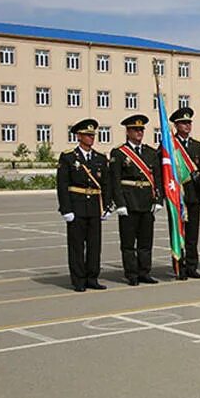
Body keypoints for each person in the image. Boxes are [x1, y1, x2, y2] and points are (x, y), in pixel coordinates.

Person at [57, 118, 111, 292]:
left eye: (92, 135)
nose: (91, 138)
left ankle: (92, 277)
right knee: (77, 245)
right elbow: (62, 185)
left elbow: (106, 184)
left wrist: (107, 206)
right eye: (87, 135)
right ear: (78, 136)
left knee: (95, 245)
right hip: (77, 207)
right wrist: (66, 209)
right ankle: (78, 279)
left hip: (95, 207)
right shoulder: (68, 157)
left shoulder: (100, 158)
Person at [110, 113, 162, 285]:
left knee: (146, 241)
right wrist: (120, 203)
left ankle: (144, 272)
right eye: (135, 129)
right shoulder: (119, 153)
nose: (139, 132)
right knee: (128, 242)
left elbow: (158, 177)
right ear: (128, 131)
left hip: (147, 201)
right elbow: (115, 180)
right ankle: (131, 273)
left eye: (141, 129)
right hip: (129, 201)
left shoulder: (150, 152)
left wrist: (158, 199)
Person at [168, 106, 200, 278]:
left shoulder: (197, 146)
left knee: (193, 234)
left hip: (194, 195)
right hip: (177, 196)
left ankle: (192, 266)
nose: (187, 126)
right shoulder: (169, 145)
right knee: (178, 233)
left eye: (189, 123)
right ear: (176, 125)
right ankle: (179, 267)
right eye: (183, 123)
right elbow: (165, 172)